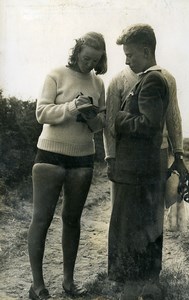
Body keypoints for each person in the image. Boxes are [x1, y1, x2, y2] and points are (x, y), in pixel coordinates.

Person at [103, 24, 188, 299]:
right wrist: (112, 157)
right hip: (140, 167)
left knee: (133, 229)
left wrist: (119, 119)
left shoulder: (153, 79)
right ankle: (145, 287)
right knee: (143, 227)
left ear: (146, 50)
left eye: (130, 55)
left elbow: (153, 124)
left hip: (141, 169)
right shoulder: (134, 79)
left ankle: (136, 289)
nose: (126, 60)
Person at [27, 32, 107, 300]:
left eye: (95, 60)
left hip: (83, 156)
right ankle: (37, 286)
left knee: (72, 220)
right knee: (42, 219)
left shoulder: (99, 84)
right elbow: (41, 113)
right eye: (85, 58)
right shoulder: (56, 74)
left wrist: (92, 117)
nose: (89, 65)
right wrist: (72, 107)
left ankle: (69, 283)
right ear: (77, 52)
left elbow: (99, 125)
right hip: (51, 153)